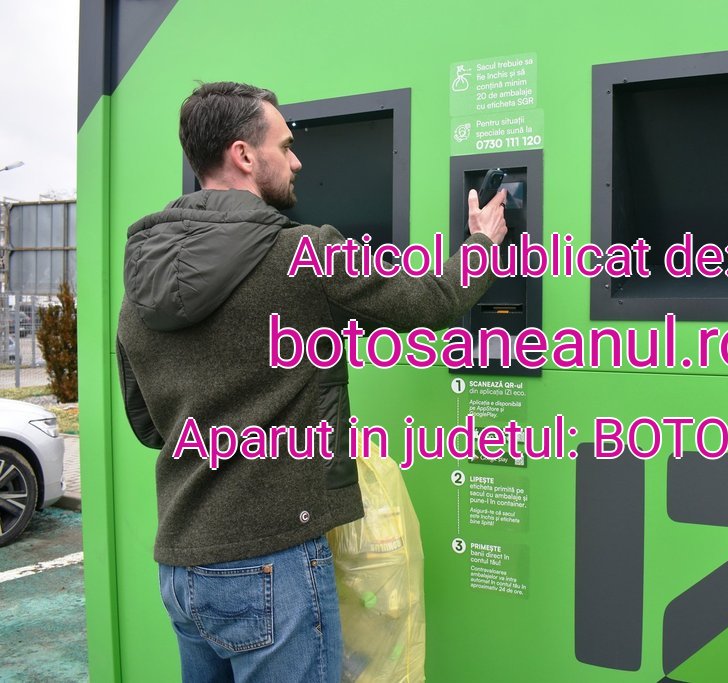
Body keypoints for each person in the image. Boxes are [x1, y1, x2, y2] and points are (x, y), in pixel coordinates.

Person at [116, 81, 506, 682]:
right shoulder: (302, 255)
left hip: (182, 565)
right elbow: (429, 300)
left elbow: (147, 425)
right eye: (285, 146)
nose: (296, 161)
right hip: (272, 563)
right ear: (244, 155)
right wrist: (482, 244)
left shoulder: (141, 280)